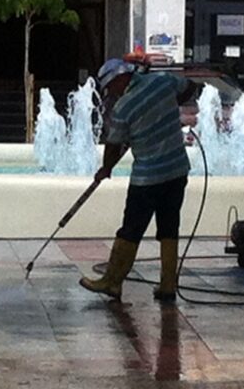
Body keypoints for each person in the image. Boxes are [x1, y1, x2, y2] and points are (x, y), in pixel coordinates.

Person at [79, 57, 199, 303]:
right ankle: (167, 286)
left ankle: (112, 282)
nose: (110, 93)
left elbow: (113, 146)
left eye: (110, 87)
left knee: (131, 229)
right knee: (169, 226)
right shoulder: (163, 81)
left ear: (121, 78)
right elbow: (190, 88)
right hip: (176, 171)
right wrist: (166, 105)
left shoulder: (124, 107)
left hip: (147, 178)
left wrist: (105, 169)